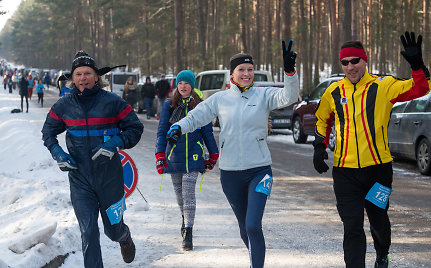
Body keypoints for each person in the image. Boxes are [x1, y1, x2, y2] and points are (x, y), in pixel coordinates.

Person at [166, 40, 298, 268]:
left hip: (259, 171)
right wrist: (178, 127)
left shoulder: (264, 95)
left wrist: (289, 72)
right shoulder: (220, 99)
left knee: (253, 225)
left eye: (250, 69)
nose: (247, 74)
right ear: (232, 74)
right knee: (244, 228)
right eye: (241, 70)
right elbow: (197, 116)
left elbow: (290, 96)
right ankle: (254, 258)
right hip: (231, 176)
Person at [312, 32, 431, 268]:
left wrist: (417, 65)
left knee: (378, 219)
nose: (350, 67)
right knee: (352, 226)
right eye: (345, 62)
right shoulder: (334, 91)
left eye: (355, 61)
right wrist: (319, 146)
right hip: (345, 172)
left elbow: (421, 89)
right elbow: (321, 119)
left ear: (365, 61)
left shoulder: (383, 86)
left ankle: (382, 254)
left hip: (379, 170)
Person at [41, 50, 143, 267]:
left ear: (97, 77)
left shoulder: (113, 102)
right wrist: (58, 154)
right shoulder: (64, 105)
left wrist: (115, 143)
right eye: (78, 74)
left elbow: (135, 128)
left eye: (87, 73)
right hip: (80, 179)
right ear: (72, 78)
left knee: (112, 231)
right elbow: (47, 133)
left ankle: (124, 237)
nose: (83, 78)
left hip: (110, 178)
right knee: (88, 232)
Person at [155, 70, 219, 251]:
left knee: (189, 192)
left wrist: (213, 155)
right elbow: (161, 133)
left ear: (192, 86)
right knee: (180, 195)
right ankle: (185, 221)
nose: (183, 86)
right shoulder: (169, 106)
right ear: (177, 85)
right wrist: (159, 155)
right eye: (180, 83)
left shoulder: (201, 106)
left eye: (187, 83)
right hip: (174, 155)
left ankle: (188, 232)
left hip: (194, 154)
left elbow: (207, 132)